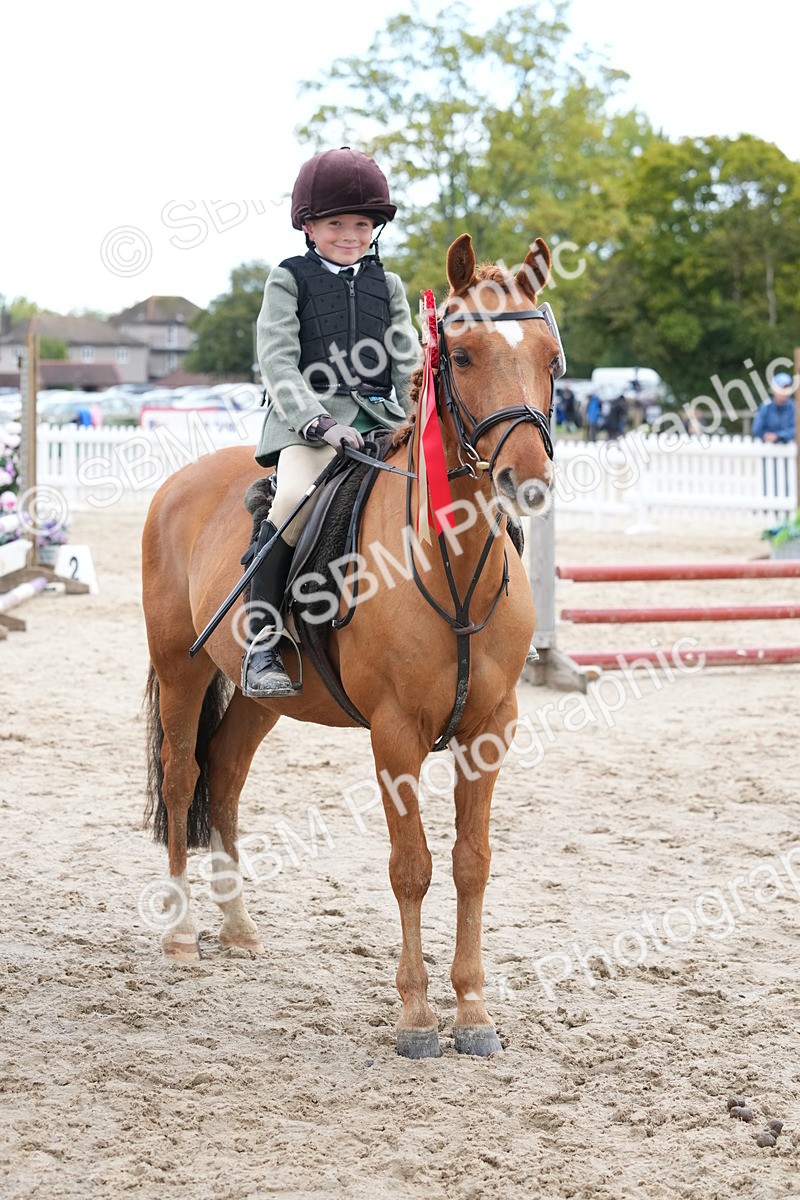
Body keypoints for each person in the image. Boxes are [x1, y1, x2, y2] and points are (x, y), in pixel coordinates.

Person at [242, 146, 421, 699]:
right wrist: (319, 424)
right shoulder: (288, 279)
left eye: (362, 224)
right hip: (310, 424)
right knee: (294, 497)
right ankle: (262, 644)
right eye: (336, 223)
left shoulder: (387, 286)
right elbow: (276, 360)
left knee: (458, 481)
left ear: (376, 228)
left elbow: (407, 358)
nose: (350, 234)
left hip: (382, 419)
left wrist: (421, 415)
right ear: (309, 226)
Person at [752, 371, 796, 443]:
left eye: (786, 388)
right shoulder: (765, 407)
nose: (784, 393)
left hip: (790, 451)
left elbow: (796, 430)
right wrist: (767, 436)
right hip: (767, 450)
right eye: (781, 389)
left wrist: (778, 436)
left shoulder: (794, 407)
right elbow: (757, 429)